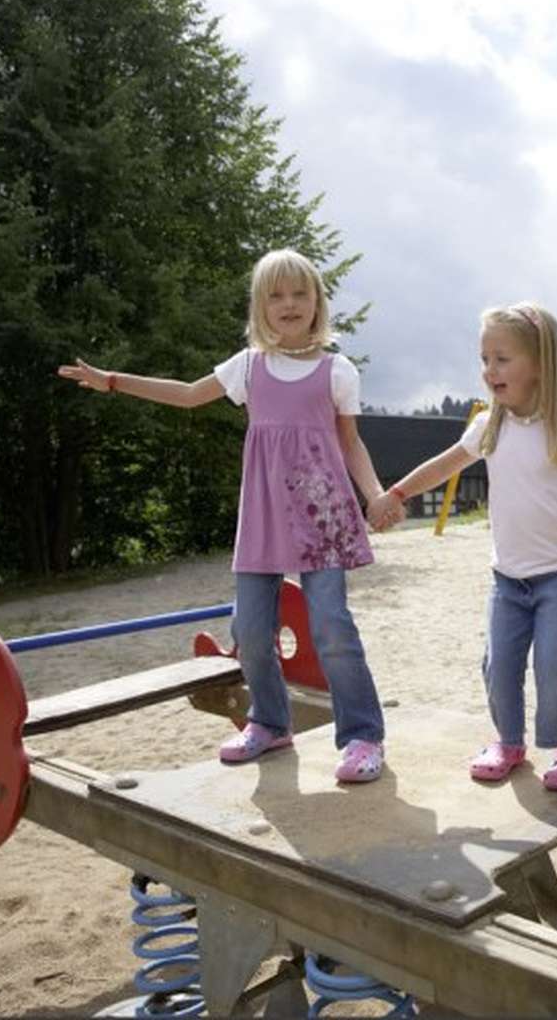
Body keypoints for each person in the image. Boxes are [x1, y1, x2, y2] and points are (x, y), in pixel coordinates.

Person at [57, 249, 400, 781]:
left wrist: (375, 494)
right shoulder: (248, 366)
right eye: (275, 296)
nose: (289, 305)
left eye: (299, 294)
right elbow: (190, 395)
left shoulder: (337, 370)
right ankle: (269, 722)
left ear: (317, 303)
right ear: (260, 307)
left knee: (331, 625)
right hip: (263, 514)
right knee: (252, 629)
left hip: (322, 515)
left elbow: (350, 443)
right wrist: (114, 381)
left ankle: (361, 736)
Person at [373, 303, 557, 792]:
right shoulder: (489, 427)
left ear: (539, 363)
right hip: (508, 578)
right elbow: (442, 465)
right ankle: (509, 742)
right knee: (498, 664)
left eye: (502, 358)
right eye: (484, 359)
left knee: (555, 661)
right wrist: (396, 493)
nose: (489, 370)